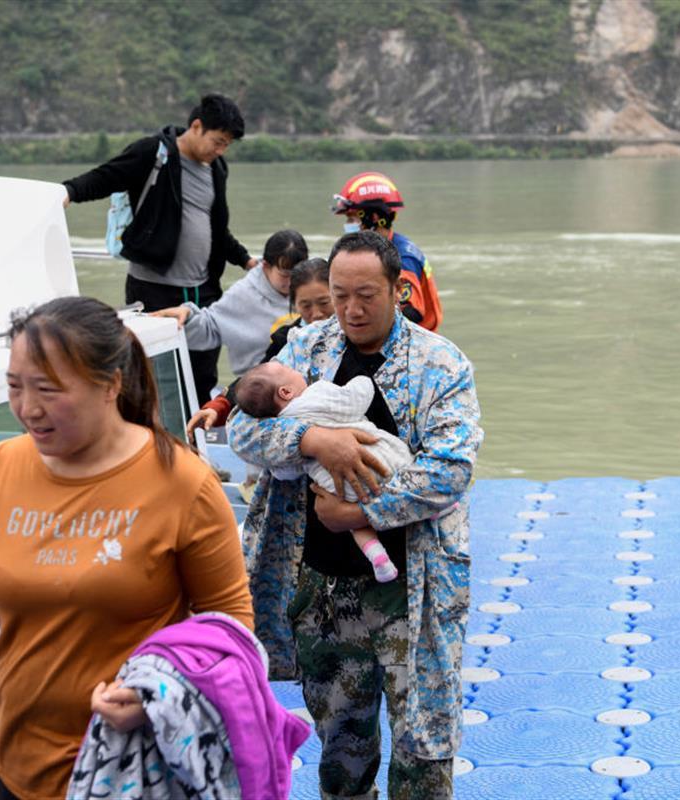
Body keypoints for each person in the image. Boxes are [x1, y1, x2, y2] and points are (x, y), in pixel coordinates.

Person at [0, 297, 253, 800]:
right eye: (15, 387)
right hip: (17, 767)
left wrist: (158, 698)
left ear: (110, 384)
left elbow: (232, 633)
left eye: (49, 391)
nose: (28, 409)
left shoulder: (183, 484)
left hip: (136, 770)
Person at [227, 231, 482, 799]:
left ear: (401, 288)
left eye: (366, 295)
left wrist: (359, 510)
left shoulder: (440, 365)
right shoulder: (306, 347)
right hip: (323, 592)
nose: (350, 309)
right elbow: (244, 427)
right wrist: (315, 438)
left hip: (415, 590)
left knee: (423, 751)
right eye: (339, 295)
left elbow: (452, 468)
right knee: (341, 752)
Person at [61, 94, 257, 405]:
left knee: (202, 376)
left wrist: (245, 260)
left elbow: (217, 229)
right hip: (153, 288)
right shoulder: (154, 152)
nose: (221, 150)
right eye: (218, 141)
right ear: (196, 126)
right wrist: (67, 192)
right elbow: (106, 177)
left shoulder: (217, 167)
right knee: (153, 377)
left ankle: (193, 446)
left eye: (226, 145)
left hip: (202, 291)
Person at [234, 361, 409, 583]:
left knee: (357, 525)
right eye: (291, 371)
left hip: (337, 487)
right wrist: (363, 382)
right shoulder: (316, 394)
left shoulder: (280, 422)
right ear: (286, 391)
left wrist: (303, 447)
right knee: (403, 461)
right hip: (378, 461)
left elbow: (284, 473)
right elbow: (352, 401)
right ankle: (433, 510)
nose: (297, 370)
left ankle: (377, 556)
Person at [184, 257, 332, 443]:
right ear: (294, 304)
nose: (316, 313)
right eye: (306, 305)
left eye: (324, 302)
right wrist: (217, 407)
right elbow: (259, 378)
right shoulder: (286, 340)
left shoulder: (354, 334)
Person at [152, 229, 308, 381]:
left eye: (298, 274)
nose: (292, 281)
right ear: (266, 266)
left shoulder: (309, 287)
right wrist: (187, 315)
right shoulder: (243, 295)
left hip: (303, 380)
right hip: (258, 385)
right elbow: (210, 326)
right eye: (285, 275)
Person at [331, 171, 444, 332]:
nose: (348, 225)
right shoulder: (376, 251)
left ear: (374, 217)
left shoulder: (404, 257)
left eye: (352, 219)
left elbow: (411, 311)